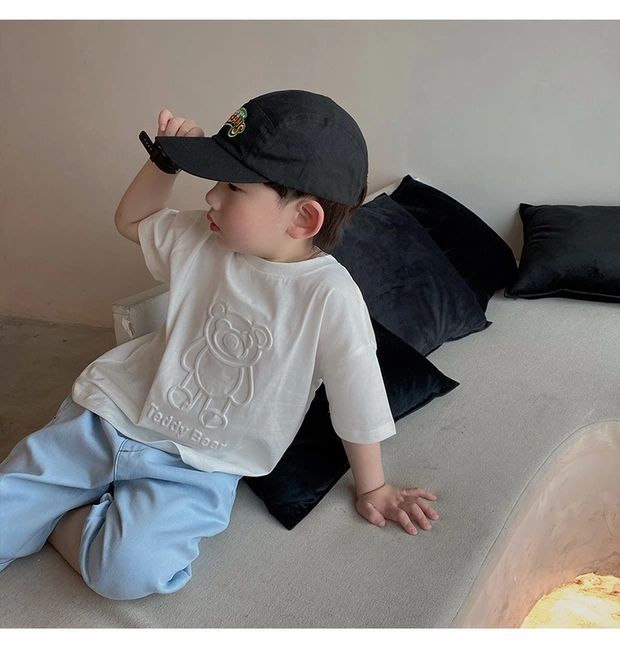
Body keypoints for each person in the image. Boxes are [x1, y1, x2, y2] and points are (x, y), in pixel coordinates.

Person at [0, 90, 439, 600]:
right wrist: (163, 163)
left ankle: (63, 520)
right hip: (105, 417)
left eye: (232, 186)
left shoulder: (329, 297)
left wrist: (374, 488)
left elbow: (357, 402)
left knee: (130, 571)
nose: (210, 197)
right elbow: (131, 222)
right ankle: (52, 508)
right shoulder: (201, 239)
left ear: (302, 219)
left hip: (199, 464)